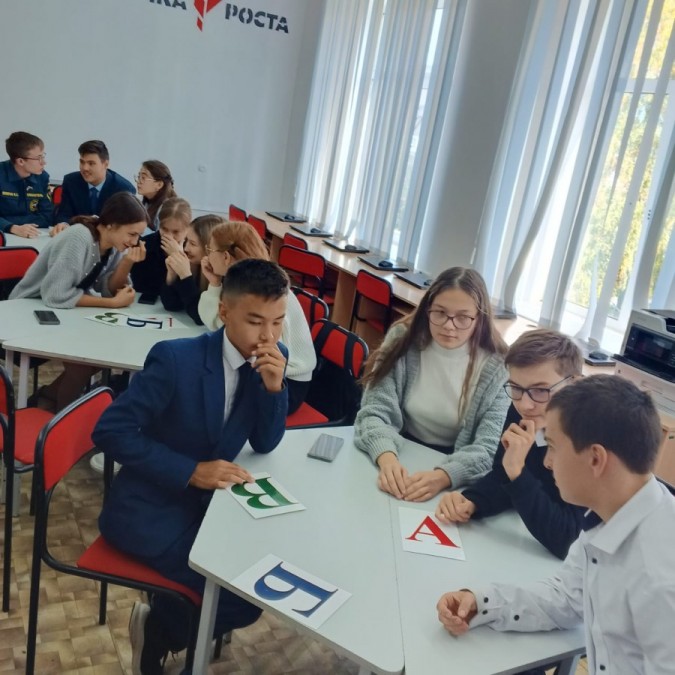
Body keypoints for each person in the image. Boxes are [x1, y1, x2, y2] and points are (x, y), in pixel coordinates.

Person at [92, 258, 290, 675]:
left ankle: (161, 627)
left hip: (213, 508)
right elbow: (111, 430)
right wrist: (190, 470)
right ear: (224, 311)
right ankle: (164, 634)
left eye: (278, 321)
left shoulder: (273, 356)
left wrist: (274, 389)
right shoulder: (176, 359)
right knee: (237, 596)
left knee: (256, 587)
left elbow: (265, 441)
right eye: (255, 322)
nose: (269, 336)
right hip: (151, 508)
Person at [436, 375, 675, 675]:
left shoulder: (659, 581)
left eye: (552, 447)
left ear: (596, 459)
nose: (547, 463)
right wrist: (482, 602)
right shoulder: (609, 515)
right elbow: (566, 597)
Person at [354, 267, 509, 501]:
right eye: (440, 313)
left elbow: (488, 448)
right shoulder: (402, 340)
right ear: (427, 309)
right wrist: (385, 457)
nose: (449, 325)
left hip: (454, 470)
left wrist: (444, 476)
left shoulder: (498, 367)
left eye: (463, 317)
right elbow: (374, 411)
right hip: (398, 450)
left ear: (480, 318)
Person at [436, 329, 587, 559]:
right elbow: (502, 475)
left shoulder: (589, 437)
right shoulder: (525, 409)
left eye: (540, 390)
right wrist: (472, 500)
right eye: (516, 387)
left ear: (574, 384)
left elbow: (569, 541)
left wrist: (517, 473)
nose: (525, 404)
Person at [10, 192, 148, 411]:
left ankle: (48, 398)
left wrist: (127, 263)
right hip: (30, 310)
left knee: (102, 355)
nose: (134, 242)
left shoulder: (113, 244)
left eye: (138, 236)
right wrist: (112, 304)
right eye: (132, 234)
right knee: (83, 365)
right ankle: (62, 417)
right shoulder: (79, 237)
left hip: (62, 312)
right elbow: (56, 295)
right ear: (111, 225)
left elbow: (109, 290)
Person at [198, 220, 316, 413]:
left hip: (287, 381)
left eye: (210, 250)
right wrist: (215, 283)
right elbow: (221, 324)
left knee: (205, 394)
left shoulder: (262, 291)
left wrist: (214, 285)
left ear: (225, 256)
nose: (207, 256)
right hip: (270, 369)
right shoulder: (249, 281)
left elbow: (223, 327)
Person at [53, 139, 135, 232]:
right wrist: (64, 224)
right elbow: (64, 214)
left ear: (105, 164)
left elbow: (123, 225)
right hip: (77, 235)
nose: (85, 168)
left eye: (91, 163)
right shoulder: (71, 181)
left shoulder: (123, 189)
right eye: (82, 162)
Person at [160, 214, 224, 325]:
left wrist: (185, 276)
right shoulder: (195, 264)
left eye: (193, 244)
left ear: (210, 247)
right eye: (186, 241)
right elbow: (171, 305)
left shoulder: (224, 275)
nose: (186, 248)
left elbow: (201, 318)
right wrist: (172, 275)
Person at [127, 197, 192, 298]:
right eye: (164, 229)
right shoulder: (145, 245)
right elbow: (140, 287)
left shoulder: (193, 250)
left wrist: (178, 258)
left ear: (188, 229)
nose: (169, 236)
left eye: (176, 232)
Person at [0, 131, 53, 238]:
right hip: (4, 234)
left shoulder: (42, 177)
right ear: (20, 161)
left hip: (33, 234)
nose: (43, 162)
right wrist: (12, 227)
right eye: (38, 158)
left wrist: (8, 220)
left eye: (43, 156)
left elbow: (47, 216)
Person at [135, 160, 177, 231]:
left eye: (143, 178)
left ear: (159, 185)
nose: (138, 181)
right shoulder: (141, 201)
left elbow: (162, 235)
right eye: (139, 176)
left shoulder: (168, 209)